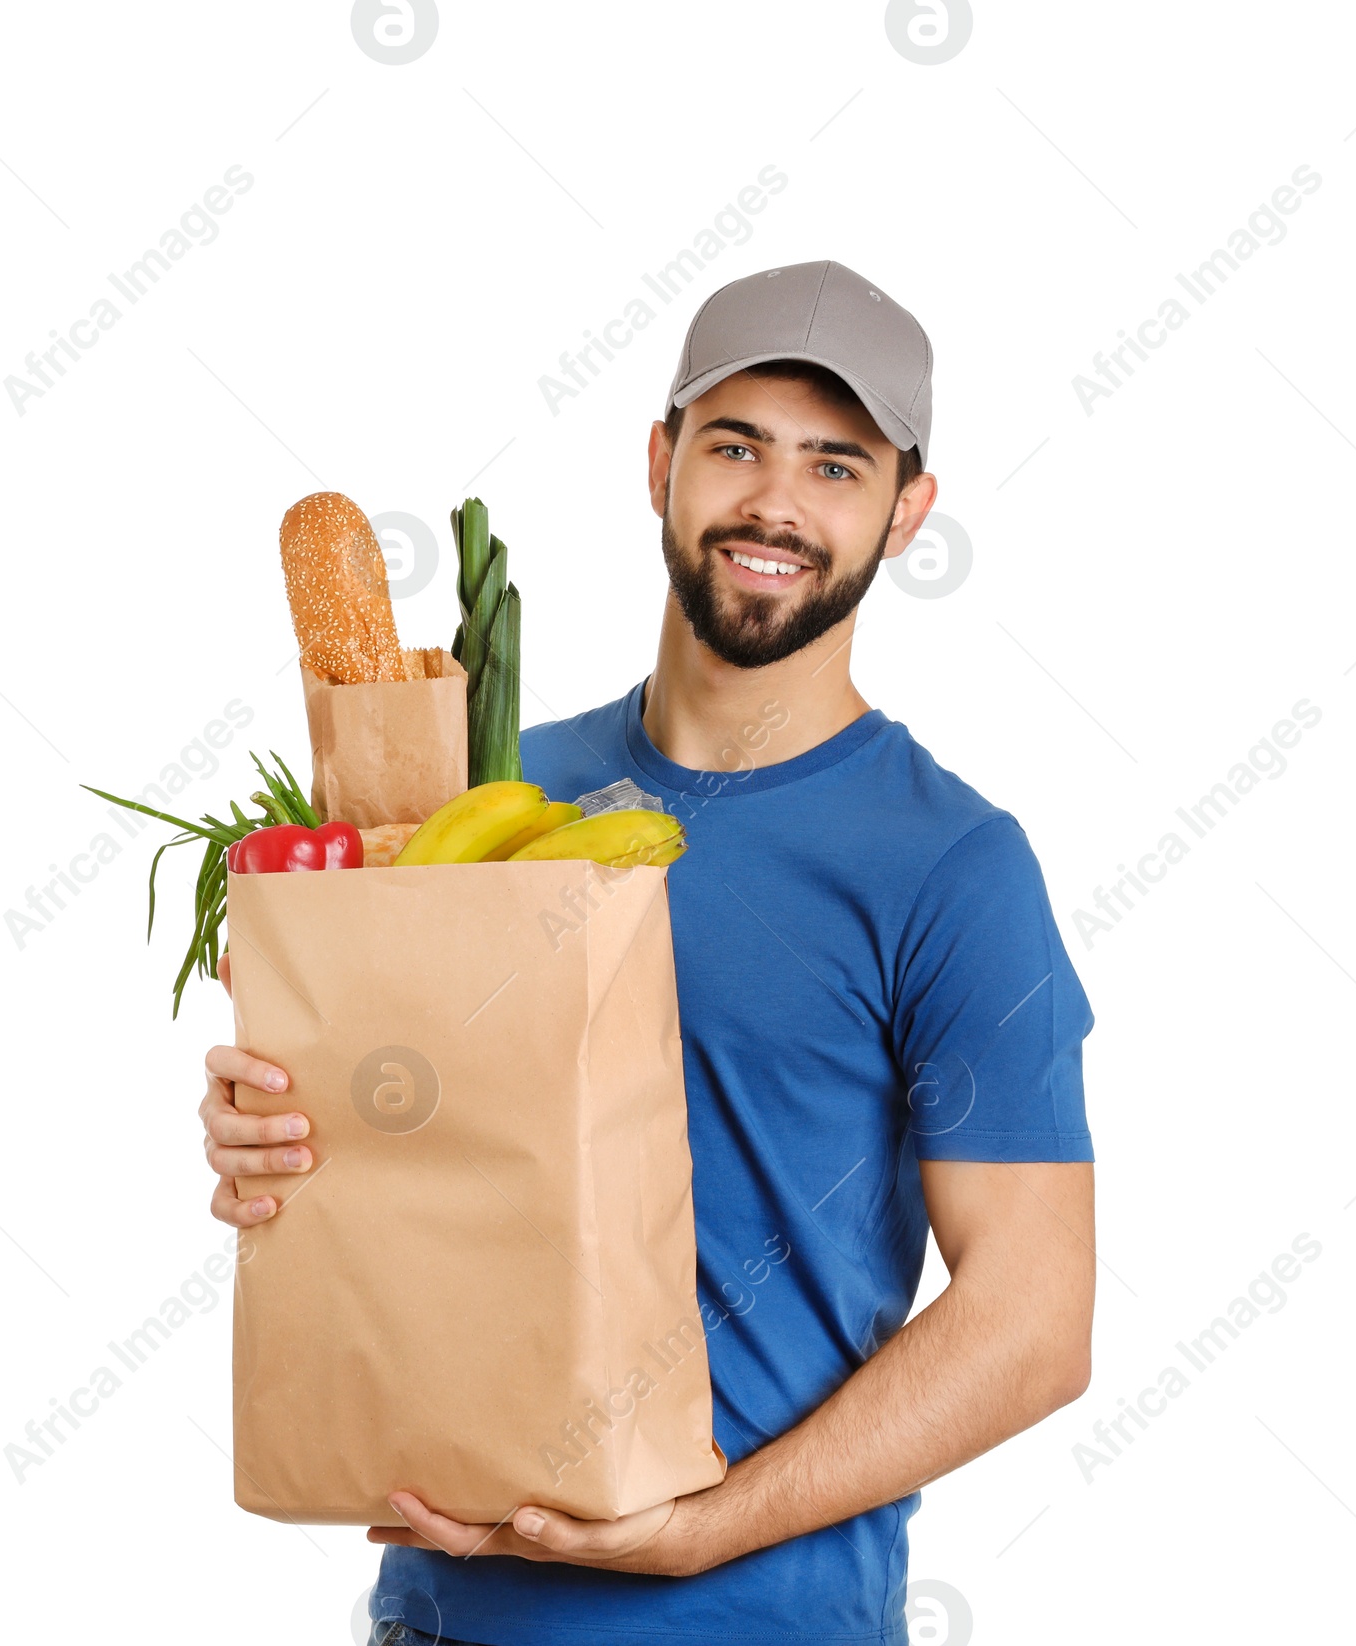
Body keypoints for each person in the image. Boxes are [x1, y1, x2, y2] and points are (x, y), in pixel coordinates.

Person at [202, 260, 1097, 1646]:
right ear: (660, 461)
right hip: (444, 1614)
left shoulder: (952, 866)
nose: (776, 504)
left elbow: (1034, 1318)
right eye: (734, 445)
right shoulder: (486, 800)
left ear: (909, 511)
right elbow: (394, 1160)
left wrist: (701, 1531)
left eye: (837, 465)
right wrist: (270, 1135)